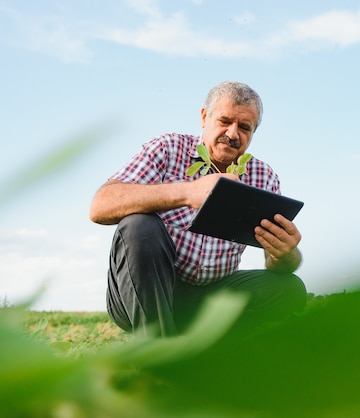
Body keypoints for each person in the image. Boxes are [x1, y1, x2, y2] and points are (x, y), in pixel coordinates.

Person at [89, 81, 307, 337]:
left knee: (290, 289)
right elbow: (100, 205)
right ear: (204, 116)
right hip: (149, 292)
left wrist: (286, 254)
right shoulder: (168, 149)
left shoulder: (263, 177)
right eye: (224, 121)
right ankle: (158, 349)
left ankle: (206, 337)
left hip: (211, 296)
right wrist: (186, 192)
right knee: (139, 226)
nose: (233, 134)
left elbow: (276, 263)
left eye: (245, 127)